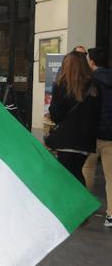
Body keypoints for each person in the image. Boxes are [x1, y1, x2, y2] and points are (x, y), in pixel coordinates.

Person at [49, 51, 101, 185]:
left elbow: (55, 115)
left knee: (66, 177)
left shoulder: (61, 85)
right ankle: (81, 203)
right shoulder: (95, 86)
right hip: (85, 141)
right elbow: (97, 113)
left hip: (66, 139)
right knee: (77, 172)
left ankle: (71, 204)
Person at [82, 47, 112, 227]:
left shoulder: (90, 81)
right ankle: (111, 215)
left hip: (93, 134)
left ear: (92, 62)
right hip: (111, 134)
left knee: (87, 170)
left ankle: (84, 210)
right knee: (111, 176)